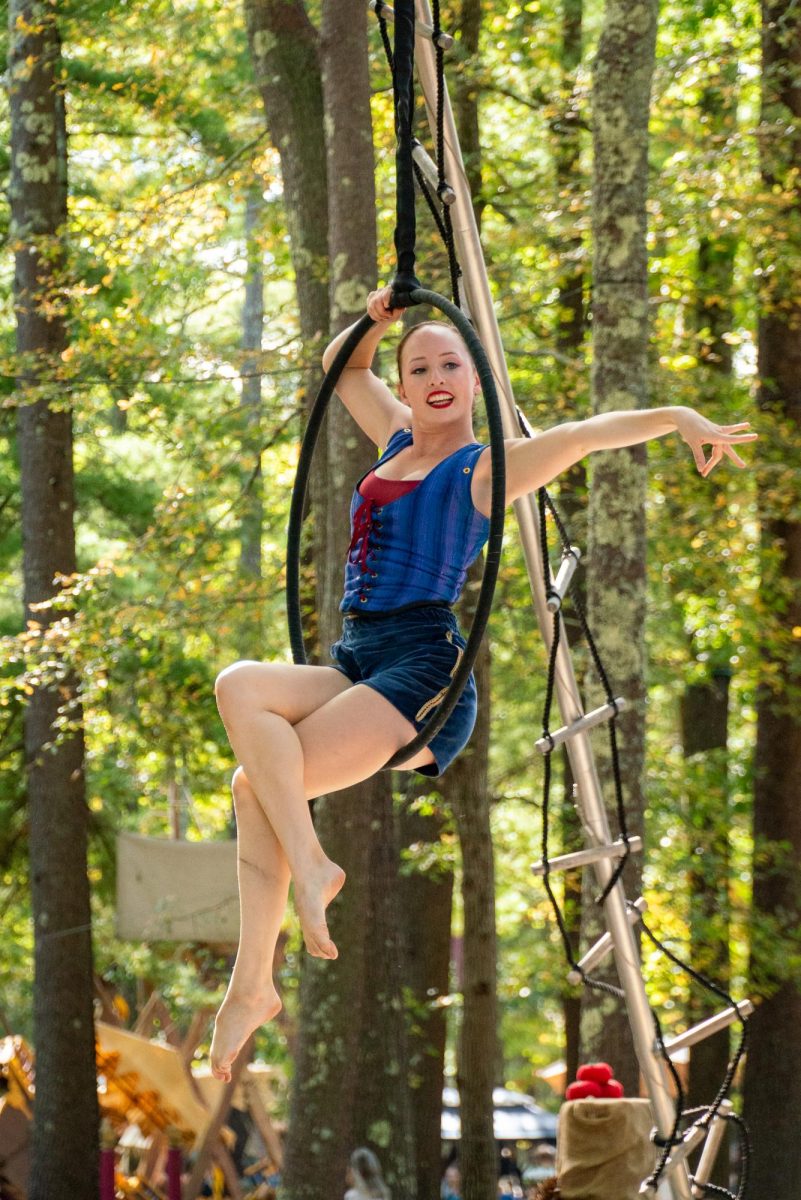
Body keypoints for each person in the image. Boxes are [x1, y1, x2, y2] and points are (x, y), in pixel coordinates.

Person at [209, 285, 757, 1080]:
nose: (434, 377)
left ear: (475, 382)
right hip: (355, 656)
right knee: (242, 706)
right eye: (418, 366)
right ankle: (257, 977)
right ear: (405, 383)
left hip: (423, 671)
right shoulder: (395, 436)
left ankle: (298, 895)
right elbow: (341, 366)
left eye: (450, 364)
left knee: (262, 780)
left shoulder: (485, 465)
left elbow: (585, 435)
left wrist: (676, 417)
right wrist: (377, 315)